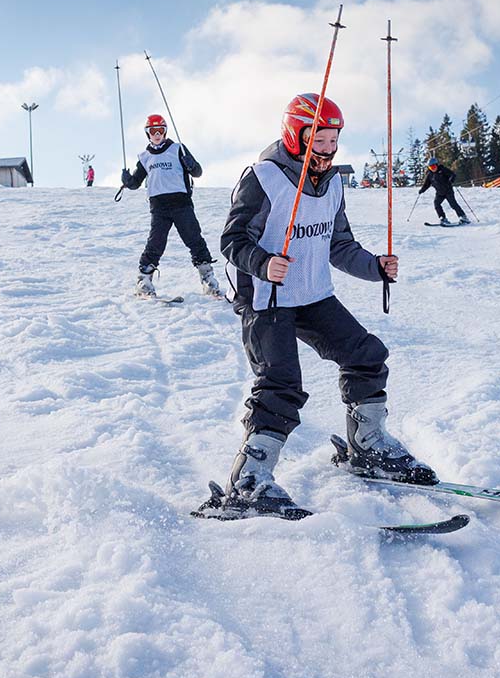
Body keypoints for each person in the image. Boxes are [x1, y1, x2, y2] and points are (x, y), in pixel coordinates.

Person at [206, 93, 434, 519]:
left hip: (312, 294)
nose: (328, 149)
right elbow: (231, 241)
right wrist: (264, 263)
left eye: (333, 140)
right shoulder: (263, 177)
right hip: (267, 298)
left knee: (366, 356)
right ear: (296, 134)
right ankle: (248, 483)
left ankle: (366, 447)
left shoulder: (332, 183)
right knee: (281, 383)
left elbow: (339, 244)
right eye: (319, 139)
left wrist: (375, 268)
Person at [121, 114, 221, 298]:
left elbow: (197, 171)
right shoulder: (145, 157)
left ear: (165, 131)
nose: (157, 134)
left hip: (181, 203)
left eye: (160, 130)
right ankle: (144, 280)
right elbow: (136, 182)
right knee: (156, 242)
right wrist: (127, 181)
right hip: (159, 207)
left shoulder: (178, 149)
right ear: (148, 134)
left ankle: (207, 277)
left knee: (193, 238)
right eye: (153, 131)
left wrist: (191, 165)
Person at [418, 157, 469, 224]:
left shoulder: (442, 170)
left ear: (436, 165)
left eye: (433, 166)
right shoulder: (430, 175)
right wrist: (422, 190)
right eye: (430, 167)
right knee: (436, 204)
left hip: (448, 191)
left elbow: (452, 174)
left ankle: (463, 217)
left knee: (453, 204)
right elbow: (426, 184)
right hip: (439, 193)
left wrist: (451, 179)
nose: (433, 169)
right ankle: (443, 218)